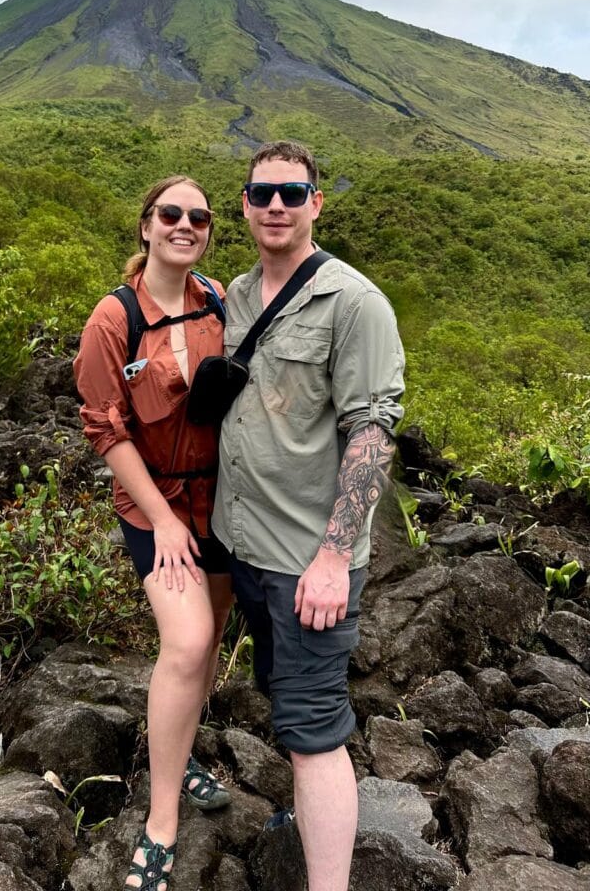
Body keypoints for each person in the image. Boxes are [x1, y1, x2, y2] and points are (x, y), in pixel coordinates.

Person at [212, 141, 405, 891]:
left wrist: (333, 557)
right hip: (248, 548)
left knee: (315, 730)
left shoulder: (354, 302)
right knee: (286, 703)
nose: (277, 208)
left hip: (307, 562)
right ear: (246, 205)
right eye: (263, 195)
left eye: (293, 194)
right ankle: (303, 816)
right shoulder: (236, 294)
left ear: (317, 203)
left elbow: (370, 432)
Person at [74, 176, 234, 891]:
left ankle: (183, 749)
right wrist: (164, 519)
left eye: (198, 217)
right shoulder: (114, 320)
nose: (185, 224)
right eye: (171, 213)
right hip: (155, 506)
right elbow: (105, 429)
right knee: (189, 640)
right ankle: (161, 820)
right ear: (145, 226)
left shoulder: (219, 300)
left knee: (213, 635)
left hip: (225, 501)